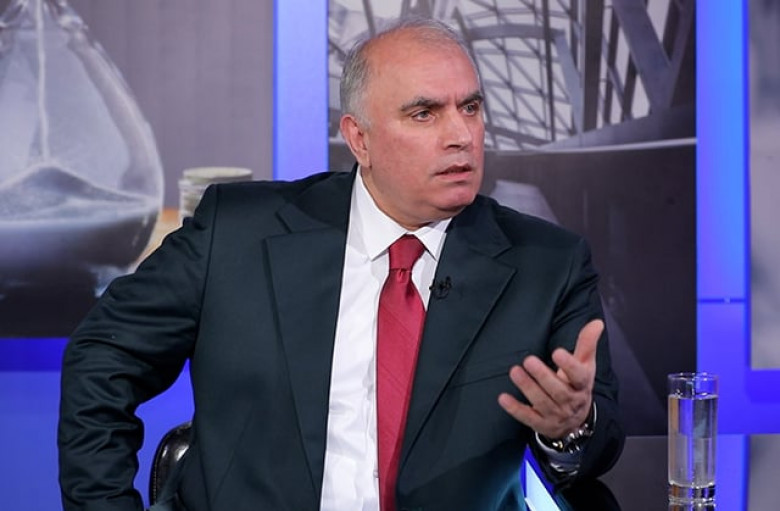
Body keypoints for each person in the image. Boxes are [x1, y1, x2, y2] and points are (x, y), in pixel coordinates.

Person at [58, 17, 624, 511]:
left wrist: (571, 429)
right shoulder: (237, 235)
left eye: (470, 108)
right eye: (424, 113)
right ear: (359, 139)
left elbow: (597, 447)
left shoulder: (547, 265)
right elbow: (103, 357)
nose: (461, 136)